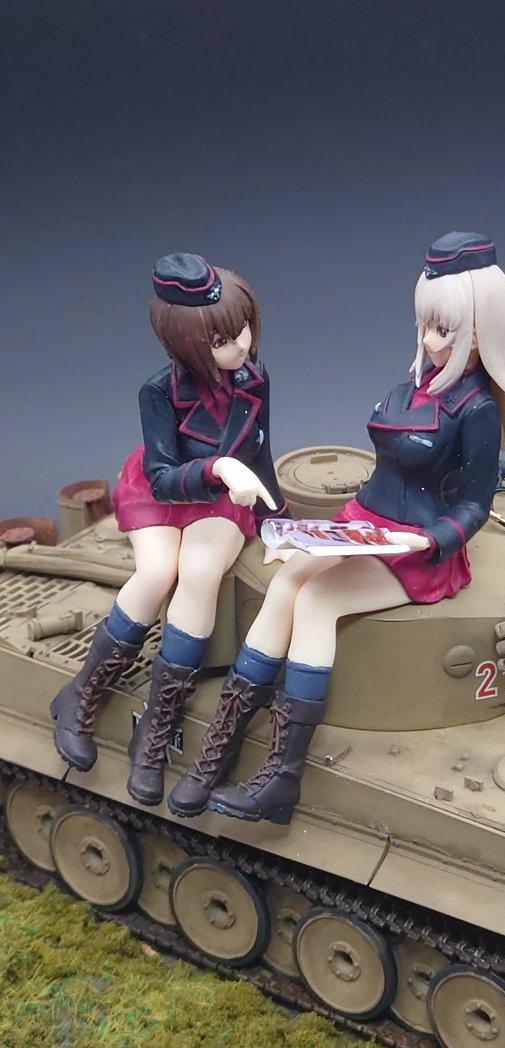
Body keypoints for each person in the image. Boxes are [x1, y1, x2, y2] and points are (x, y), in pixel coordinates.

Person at [167, 231, 505, 825]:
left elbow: (475, 504)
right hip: (363, 522)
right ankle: (217, 752)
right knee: (286, 582)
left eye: (444, 329)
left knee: (318, 602)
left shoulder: (477, 409)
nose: (428, 339)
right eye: (425, 324)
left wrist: (431, 540)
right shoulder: (418, 384)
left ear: (479, 329)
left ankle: (282, 778)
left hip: (413, 548)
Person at [51, 252, 286, 804]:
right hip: (167, 488)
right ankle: (81, 694)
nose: (240, 345)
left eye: (244, 327)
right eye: (221, 339)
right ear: (184, 343)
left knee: (199, 572)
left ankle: (155, 731)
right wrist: (217, 468)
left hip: (223, 496)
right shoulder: (158, 391)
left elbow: (260, 451)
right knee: (158, 572)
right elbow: (161, 475)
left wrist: (277, 522)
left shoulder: (254, 379)